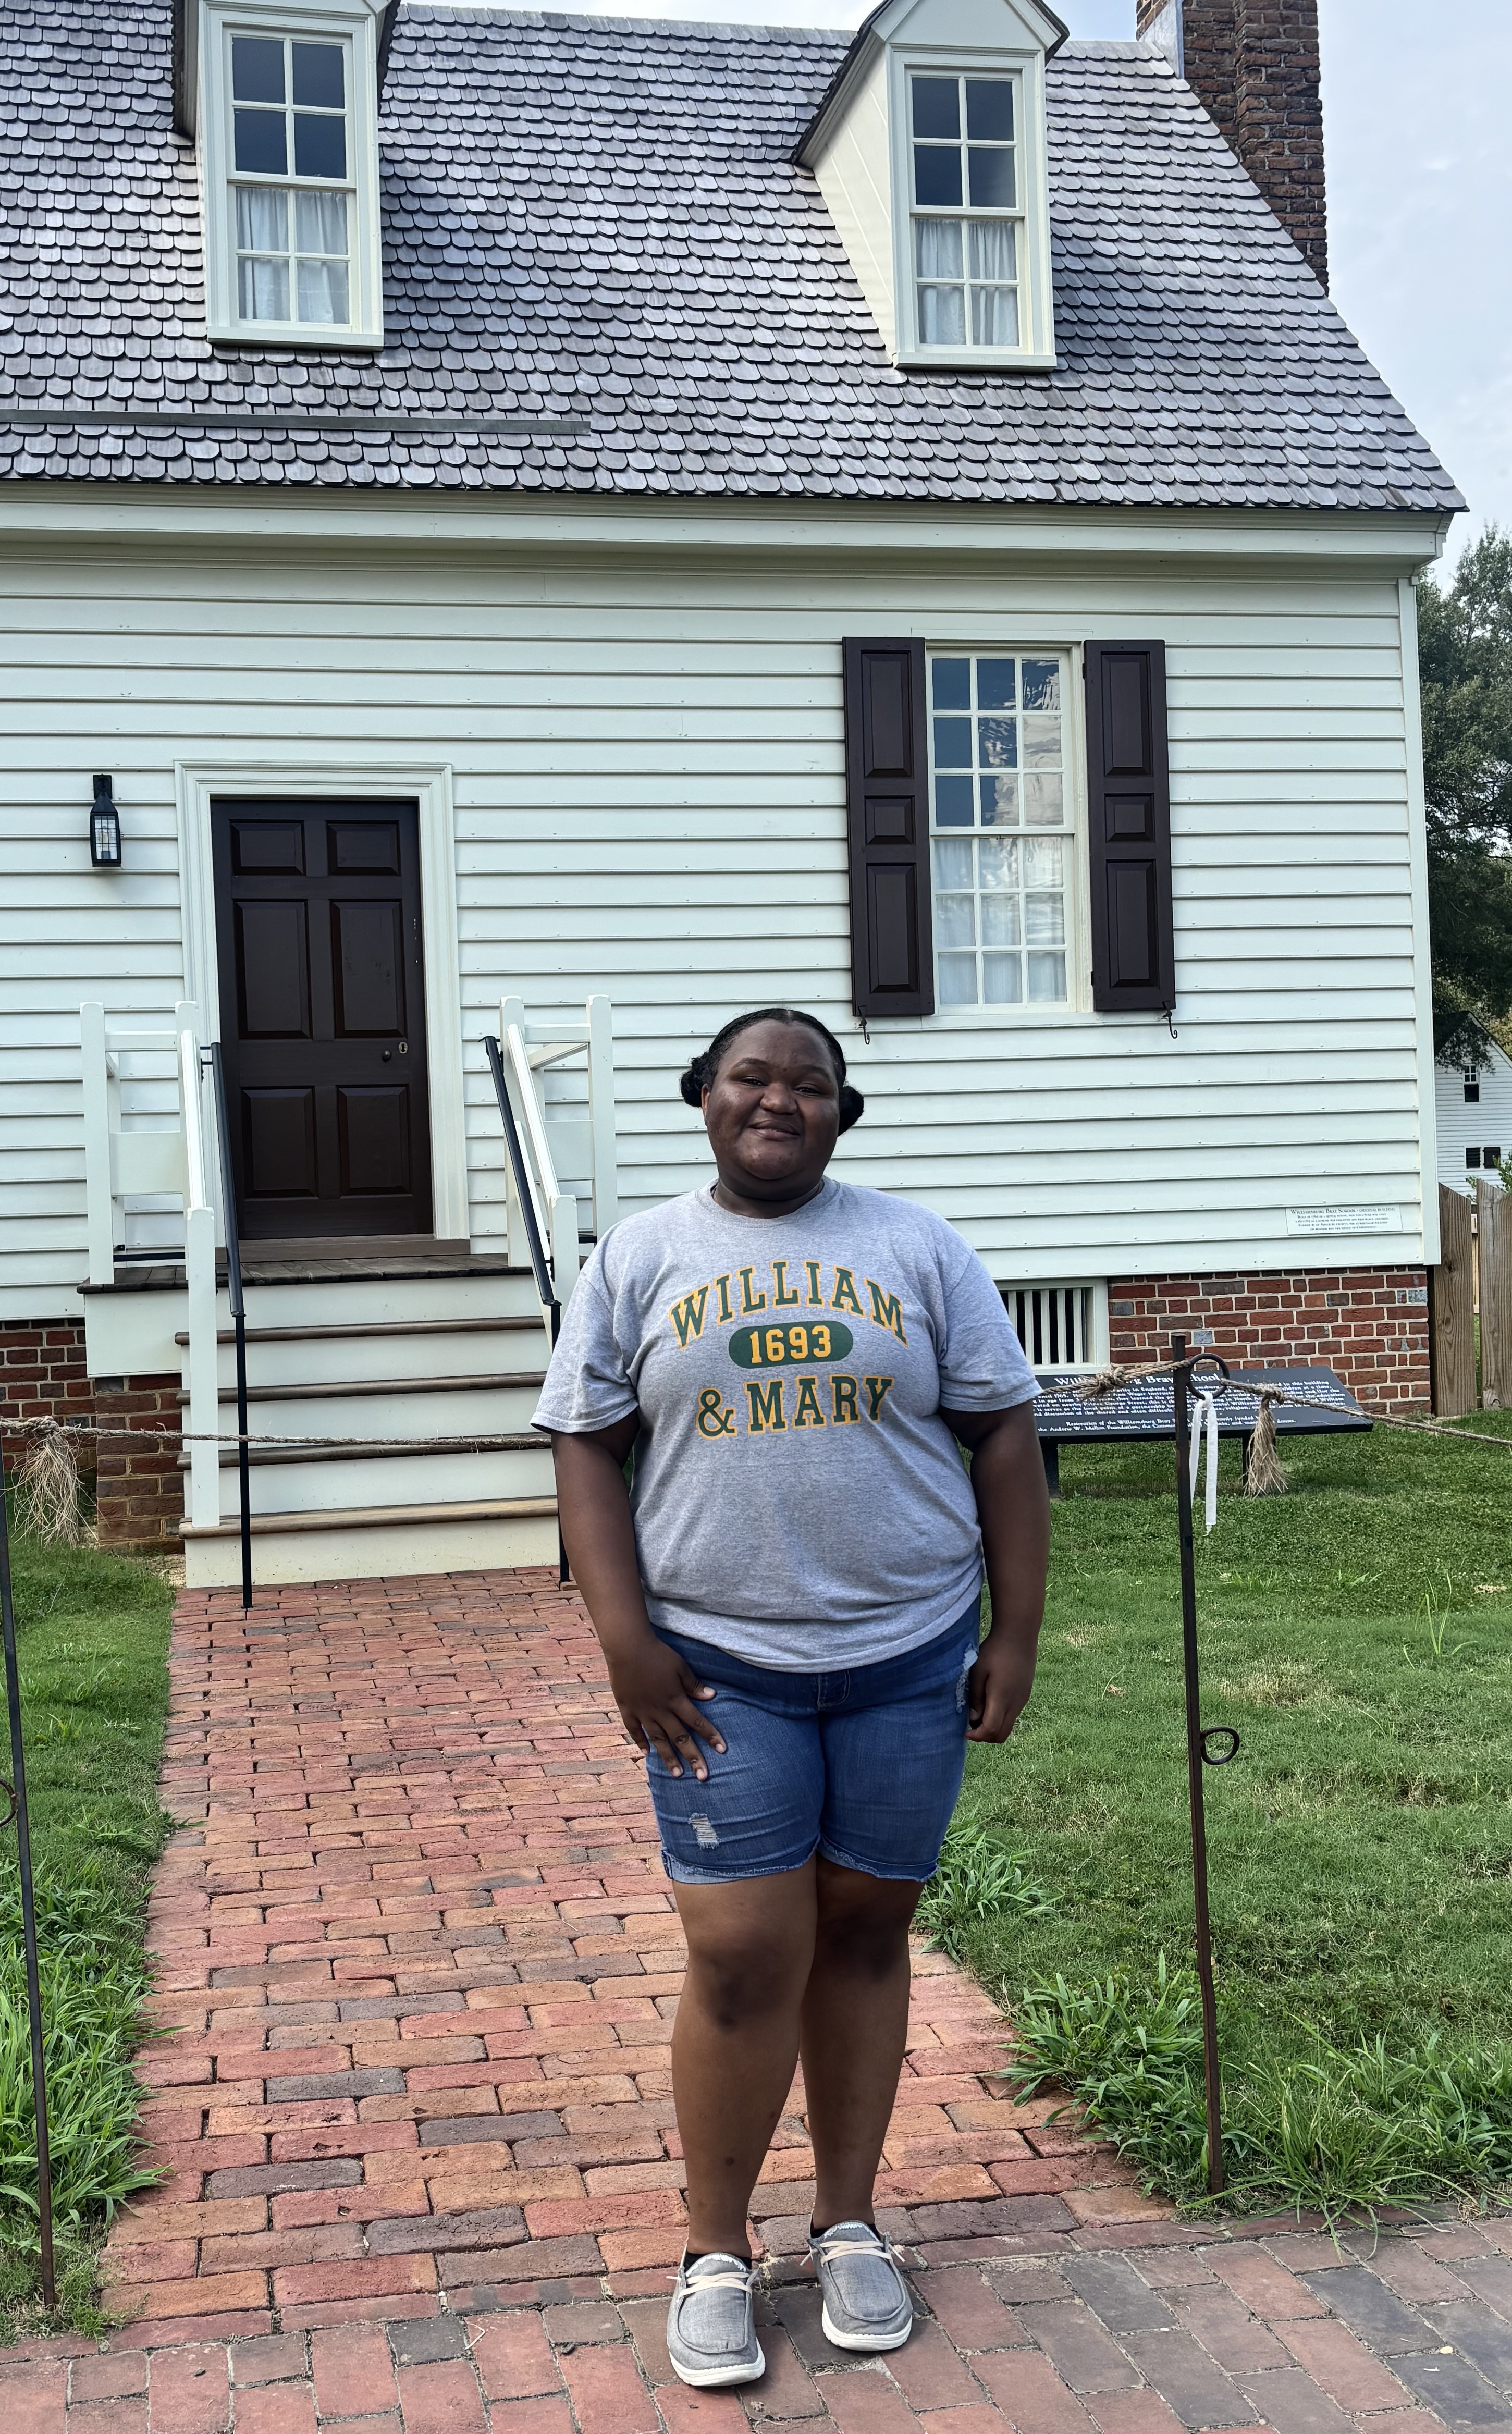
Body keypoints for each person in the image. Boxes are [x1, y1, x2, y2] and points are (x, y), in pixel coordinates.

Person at [532, 1006, 1049, 2389]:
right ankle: (714, 2248)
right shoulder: (641, 1256)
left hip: (903, 1652)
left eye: (807, 1084)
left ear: (840, 1109)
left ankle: (847, 2221)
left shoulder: (915, 1248)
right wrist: (621, 1635)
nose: (777, 1101)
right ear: (702, 1094)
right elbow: (585, 1443)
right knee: (744, 1949)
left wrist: (1016, 1629)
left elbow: (1002, 1428)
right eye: (750, 1077)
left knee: (867, 1930)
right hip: (718, 1671)